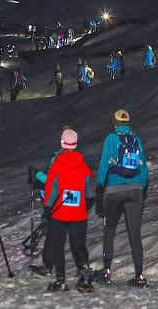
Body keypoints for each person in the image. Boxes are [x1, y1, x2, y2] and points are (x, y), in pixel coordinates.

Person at [95, 109, 149, 288]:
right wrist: (141, 188)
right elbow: (143, 168)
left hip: (114, 191)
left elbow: (104, 163)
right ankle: (139, 275)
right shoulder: (137, 140)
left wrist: (100, 188)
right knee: (135, 234)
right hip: (135, 191)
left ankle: (106, 271)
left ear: (114, 122)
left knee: (109, 230)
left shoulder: (111, 139)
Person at [42, 128, 95, 292]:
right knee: (79, 245)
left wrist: (47, 208)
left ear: (62, 143)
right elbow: (90, 191)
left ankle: (60, 279)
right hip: (79, 214)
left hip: (59, 213)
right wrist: (86, 203)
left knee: (58, 245)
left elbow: (51, 189)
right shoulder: (83, 165)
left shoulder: (57, 163)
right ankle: (84, 270)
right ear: (76, 144)